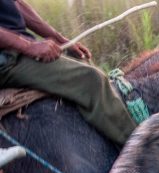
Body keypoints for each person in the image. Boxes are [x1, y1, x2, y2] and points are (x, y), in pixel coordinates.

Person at [0, 0, 137, 149]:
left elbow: (15, 4)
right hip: (6, 59)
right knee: (90, 80)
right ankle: (140, 153)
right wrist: (28, 47)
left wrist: (58, 39)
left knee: (82, 62)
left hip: (15, 48)